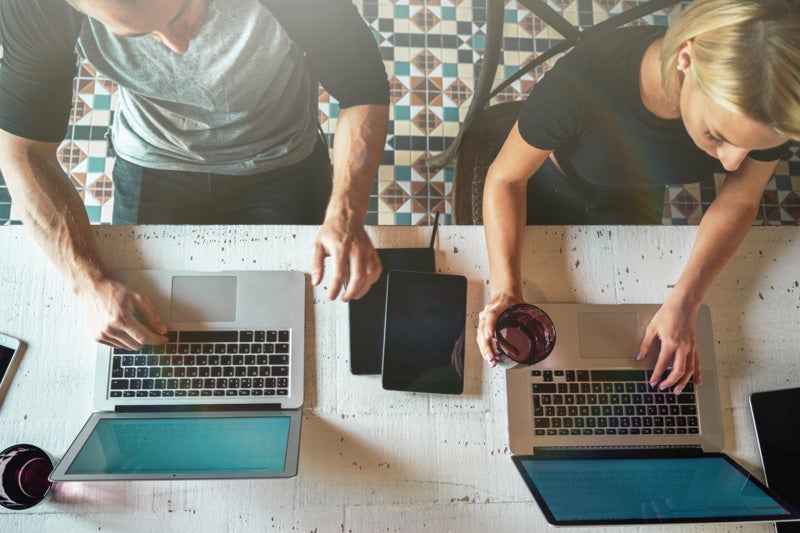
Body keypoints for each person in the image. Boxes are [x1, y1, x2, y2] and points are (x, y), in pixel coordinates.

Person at [0, 0, 390, 349]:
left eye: (182, 11)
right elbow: (23, 152)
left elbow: (363, 90)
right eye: (141, 34)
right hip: (152, 158)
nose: (179, 46)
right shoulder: (36, 6)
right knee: (143, 330)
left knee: (303, 315)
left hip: (282, 155)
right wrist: (87, 283)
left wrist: (346, 213)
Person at [476, 0, 800, 394]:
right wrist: (506, 290)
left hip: (635, 202)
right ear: (686, 60)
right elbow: (506, 178)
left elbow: (739, 200)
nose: (733, 163)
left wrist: (685, 302)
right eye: (717, 136)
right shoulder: (588, 78)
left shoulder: (771, 101)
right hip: (548, 187)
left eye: (752, 149)